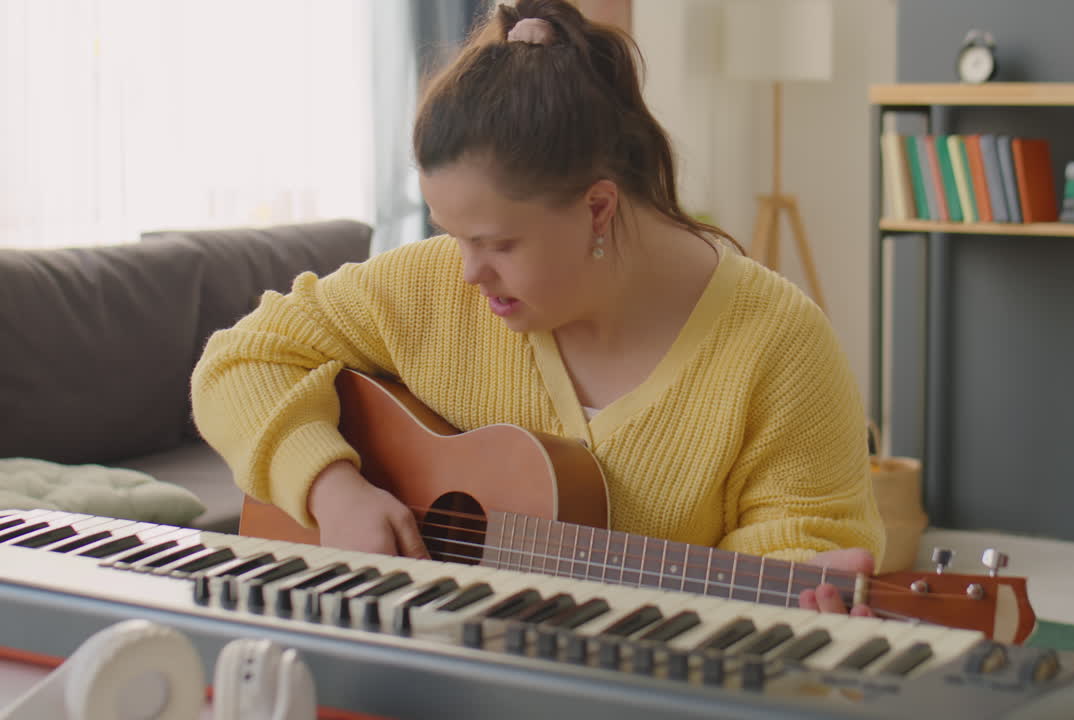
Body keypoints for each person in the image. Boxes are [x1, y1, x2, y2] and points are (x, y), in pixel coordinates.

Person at [191, 0, 883, 617]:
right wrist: (330, 488)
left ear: (598, 209)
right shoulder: (433, 286)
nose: (467, 271)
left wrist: (797, 601)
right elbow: (240, 360)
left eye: (498, 243)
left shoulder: (779, 345)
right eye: (452, 234)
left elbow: (800, 557)